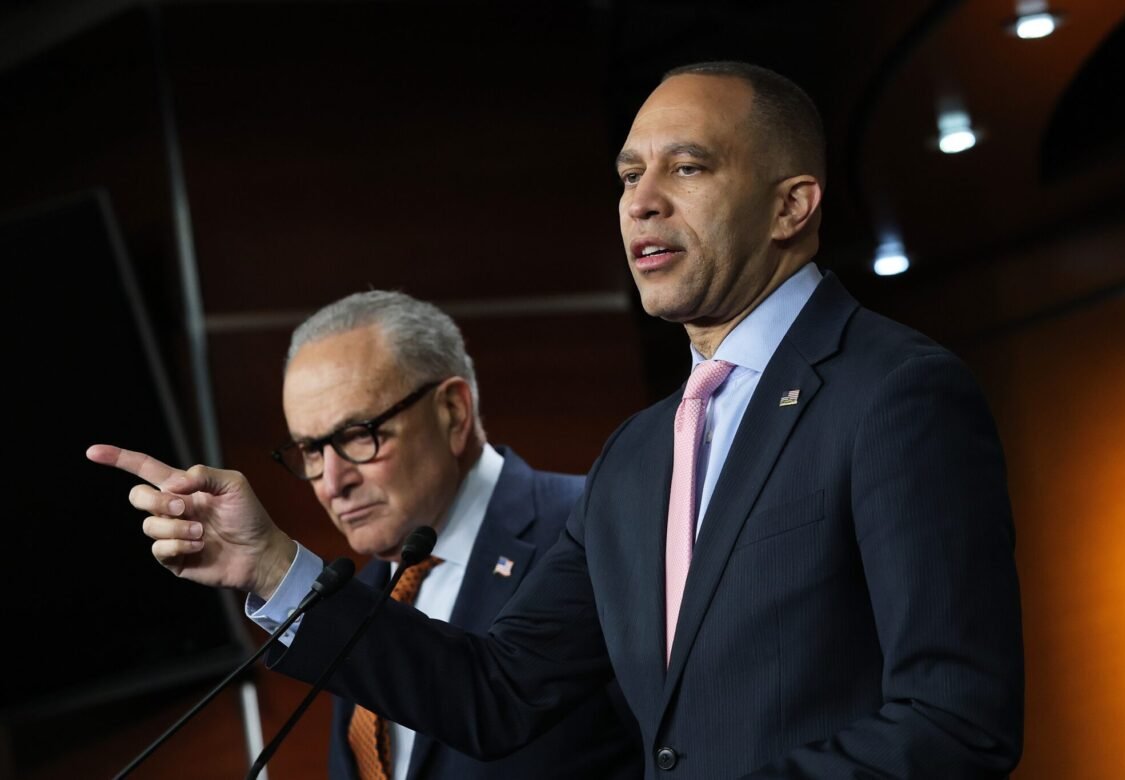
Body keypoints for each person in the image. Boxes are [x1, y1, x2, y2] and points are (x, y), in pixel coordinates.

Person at [91, 61, 1024, 778]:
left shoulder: (896, 393)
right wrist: (270, 566)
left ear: (793, 204)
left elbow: (955, 719)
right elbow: (498, 691)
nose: (642, 201)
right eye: (627, 175)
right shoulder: (637, 455)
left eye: (687, 166)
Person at [107, 290, 642, 780]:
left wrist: (275, 565)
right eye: (312, 451)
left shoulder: (598, 525)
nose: (332, 482)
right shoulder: (361, 596)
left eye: (358, 435)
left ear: (453, 412)